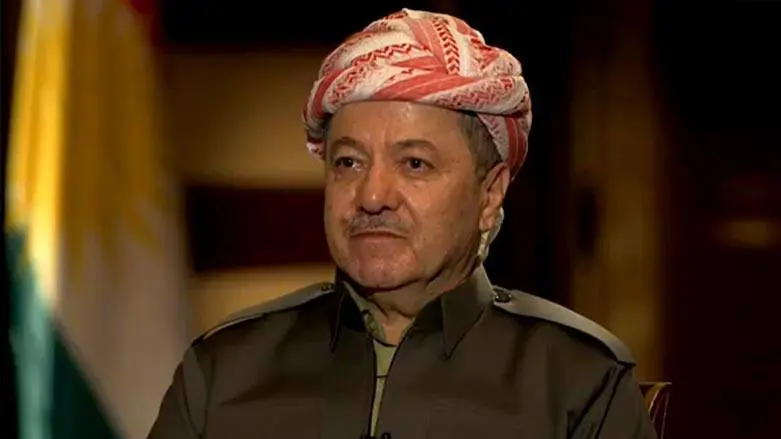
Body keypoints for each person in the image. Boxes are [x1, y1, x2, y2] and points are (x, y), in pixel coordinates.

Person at [148, 9, 657, 439]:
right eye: (349, 162)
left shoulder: (578, 381)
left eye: (414, 164)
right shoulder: (223, 372)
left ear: (490, 192)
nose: (372, 197)